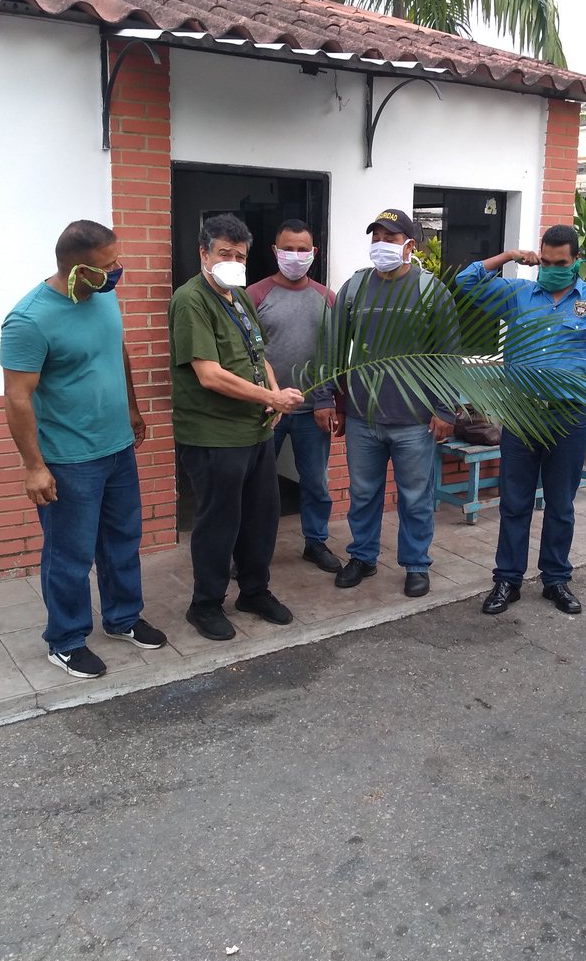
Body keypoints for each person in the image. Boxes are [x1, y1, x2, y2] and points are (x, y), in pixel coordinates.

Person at [454, 224, 586, 616]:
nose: (552, 268)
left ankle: (556, 579)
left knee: (560, 504)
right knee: (515, 503)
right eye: (547, 261)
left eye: (561, 263)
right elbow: (467, 281)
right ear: (539, 256)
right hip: (522, 416)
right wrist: (508, 257)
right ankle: (508, 579)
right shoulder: (519, 295)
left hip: (569, 418)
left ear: (576, 261)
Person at [0, 219, 167, 680]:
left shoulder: (103, 295)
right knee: (69, 553)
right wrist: (34, 467)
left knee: (122, 541)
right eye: (107, 265)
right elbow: (17, 397)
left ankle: (123, 617)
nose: (118, 271)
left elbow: (119, 350)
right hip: (70, 459)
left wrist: (133, 409)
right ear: (76, 271)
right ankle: (67, 639)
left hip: (117, 449)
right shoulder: (29, 319)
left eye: (117, 260)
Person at [169, 213, 303, 642]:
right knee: (218, 522)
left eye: (239, 255)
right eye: (224, 253)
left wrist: (275, 391)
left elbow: (257, 352)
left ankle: (254, 591)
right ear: (203, 253)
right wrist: (269, 398)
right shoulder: (191, 301)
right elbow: (209, 374)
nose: (231, 261)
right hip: (214, 436)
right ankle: (205, 604)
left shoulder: (238, 296)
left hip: (255, 431)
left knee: (262, 518)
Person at [314, 207, 458, 598]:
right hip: (363, 417)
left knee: (415, 497)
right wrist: (326, 397)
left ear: (410, 245)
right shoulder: (355, 289)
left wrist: (445, 409)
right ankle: (362, 557)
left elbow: (447, 355)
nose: (380, 245)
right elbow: (332, 345)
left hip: (414, 420)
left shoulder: (431, 291)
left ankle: (415, 565)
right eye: (375, 237)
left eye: (390, 238)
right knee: (363, 493)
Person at [246, 219, 342, 574]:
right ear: (275, 251)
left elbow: (334, 354)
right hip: (267, 409)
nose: (296, 256)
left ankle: (315, 543)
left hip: (312, 410)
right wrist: (265, 397)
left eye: (303, 250)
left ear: (314, 253)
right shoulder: (254, 296)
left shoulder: (327, 298)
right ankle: (253, 550)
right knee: (257, 484)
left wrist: (326, 401)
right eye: (288, 249)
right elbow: (246, 355)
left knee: (316, 481)